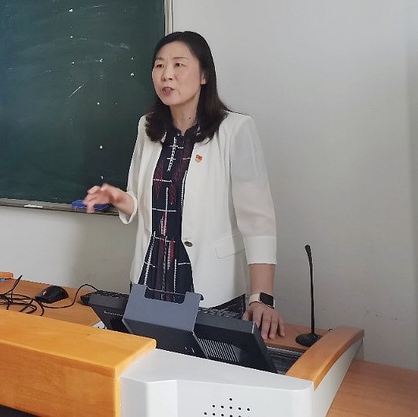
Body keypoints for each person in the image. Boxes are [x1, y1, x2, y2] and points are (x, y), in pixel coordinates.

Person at [82, 31, 285, 339]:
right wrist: (116, 197)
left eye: (178, 65)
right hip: (150, 280)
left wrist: (262, 298)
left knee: (206, 366)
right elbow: (142, 201)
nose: (167, 75)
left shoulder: (235, 130)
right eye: (159, 65)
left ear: (204, 75)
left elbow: (258, 222)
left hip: (208, 286)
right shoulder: (147, 127)